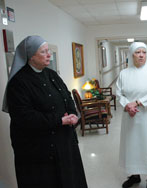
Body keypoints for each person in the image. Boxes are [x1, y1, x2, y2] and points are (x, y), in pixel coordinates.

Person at [2, 36, 88, 188]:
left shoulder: (51, 74)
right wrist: (59, 120)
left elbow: (66, 96)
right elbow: (24, 117)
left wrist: (72, 113)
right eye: (43, 52)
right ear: (31, 56)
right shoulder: (19, 82)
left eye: (49, 50)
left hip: (64, 143)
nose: (49, 54)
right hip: (37, 151)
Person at [116, 42, 147, 188]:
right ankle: (134, 175)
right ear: (132, 55)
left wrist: (137, 103)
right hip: (130, 117)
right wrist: (127, 105)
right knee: (132, 145)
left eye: (143, 52)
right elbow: (119, 93)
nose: (141, 55)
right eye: (137, 52)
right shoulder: (124, 73)